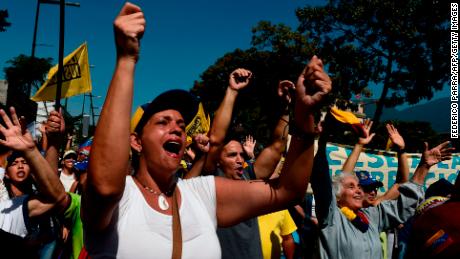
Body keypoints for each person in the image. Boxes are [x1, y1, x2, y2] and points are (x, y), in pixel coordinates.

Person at [81, 3, 331, 258]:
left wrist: (303, 114)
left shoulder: (200, 194)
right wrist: (126, 59)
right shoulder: (121, 199)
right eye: (163, 122)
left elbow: (287, 192)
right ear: (135, 142)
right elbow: (104, 187)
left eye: (181, 125)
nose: (177, 129)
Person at [310, 116, 454, 258]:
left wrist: (424, 166)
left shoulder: (372, 215)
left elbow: (404, 203)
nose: (359, 190)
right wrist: (322, 141)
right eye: (351, 187)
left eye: (359, 187)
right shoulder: (331, 216)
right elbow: (320, 179)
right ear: (337, 196)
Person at [0, 107, 69, 258]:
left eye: (24, 162)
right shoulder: (5, 199)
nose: (19, 166)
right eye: (14, 163)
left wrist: (40, 147)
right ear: (6, 175)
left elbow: (56, 197)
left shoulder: (7, 212)